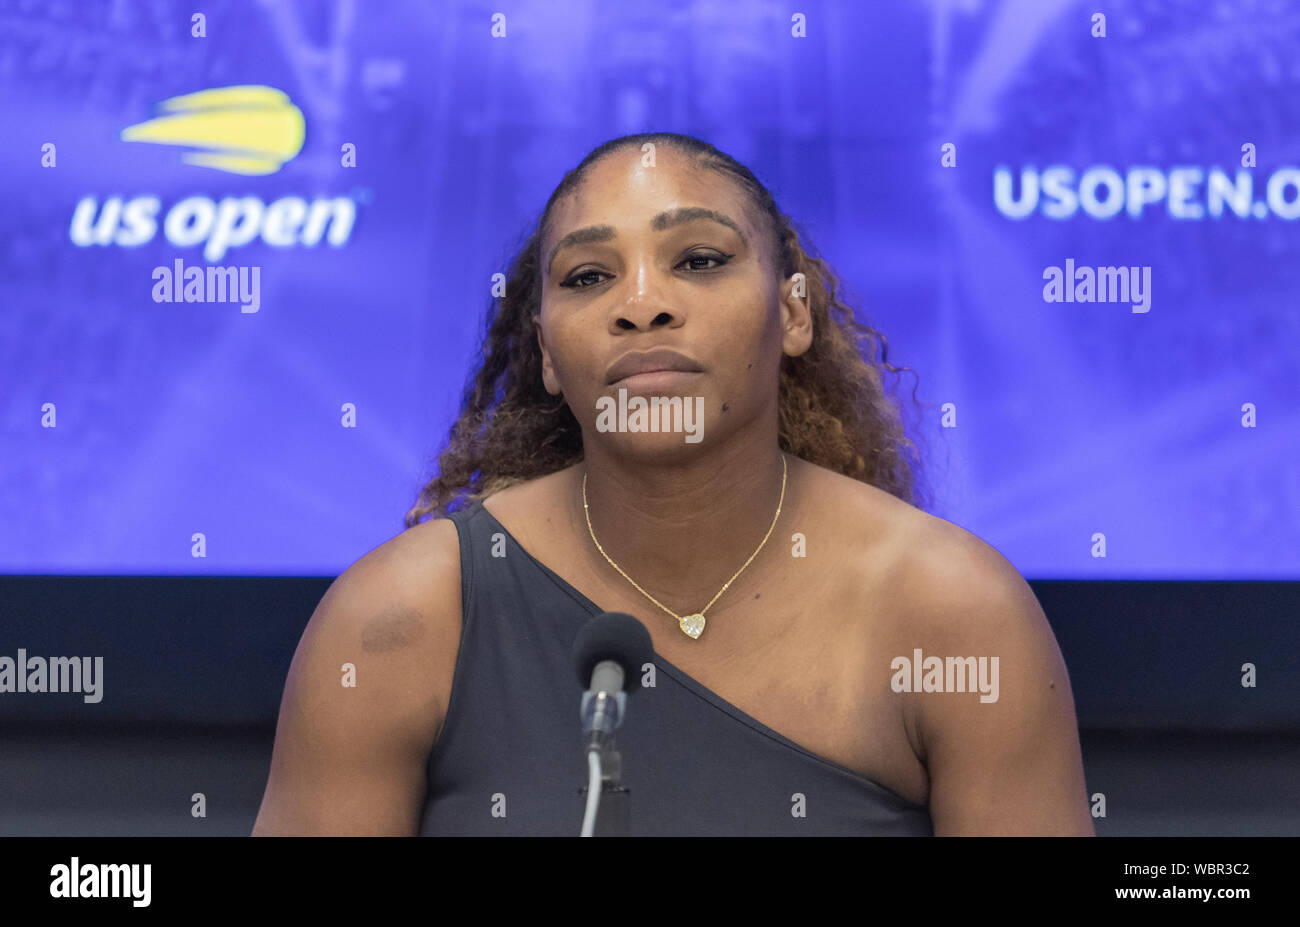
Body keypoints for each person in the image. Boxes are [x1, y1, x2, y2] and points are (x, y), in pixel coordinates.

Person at [252, 132, 1094, 836]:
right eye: (589, 276)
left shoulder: (955, 613)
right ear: (546, 350)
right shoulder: (400, 619)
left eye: (697, 259)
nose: (643, 304)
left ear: (792, 313)